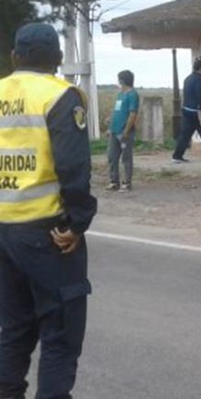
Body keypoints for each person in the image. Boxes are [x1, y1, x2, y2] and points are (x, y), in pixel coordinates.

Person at [0, 23, 97, 399]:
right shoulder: (61, 95)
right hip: (50, 235)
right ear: (57, 59)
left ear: (15, 56)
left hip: (4, 233)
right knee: (60, 335)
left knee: (14, 331)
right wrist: (78, 221)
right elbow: (73, 166)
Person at [107, 70, 139, 192]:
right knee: (112, 156)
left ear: (122, 80)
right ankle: (114, 181)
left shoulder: (132, 95)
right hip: (114, 130)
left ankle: (127, 182)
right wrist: (110, 124)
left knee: (126, 158)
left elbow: (133, 113)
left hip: (124, 131)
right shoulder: (120, 95)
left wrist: (126, 130)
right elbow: (117, 111)